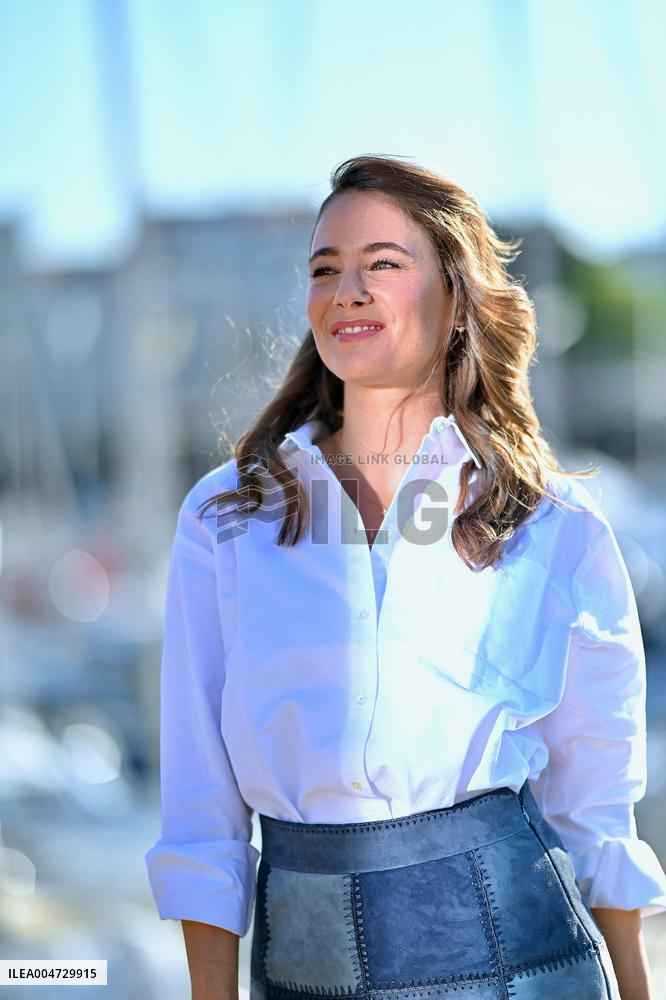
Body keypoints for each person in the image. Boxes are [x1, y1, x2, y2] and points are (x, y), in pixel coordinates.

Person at [145, 154, 666, 1000]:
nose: (345, 289)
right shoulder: (227, 519)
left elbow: (597, 798)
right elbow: (201, 810)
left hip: (528, 968)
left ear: (455, 297)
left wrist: (639, 987)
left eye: (382, 263)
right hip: (302, 968)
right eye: (324, 269)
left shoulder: (552, 524)